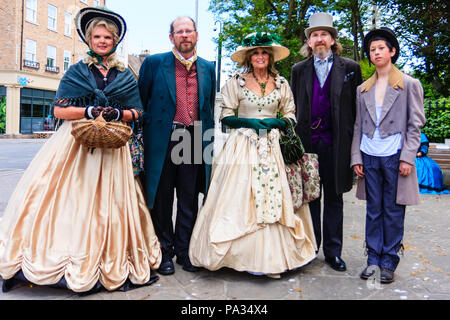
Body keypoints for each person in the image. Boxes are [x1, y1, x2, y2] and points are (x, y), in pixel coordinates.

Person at [0, 7, 161, 294]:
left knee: (111, 206)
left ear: (115, 41)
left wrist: (116, 114)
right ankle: (57, 260)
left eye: (107, 37)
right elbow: (59, 109)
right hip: (74, 144)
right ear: (89, 39)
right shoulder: (76, 71)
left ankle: (106, 262)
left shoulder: (125, 75)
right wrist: (88, 109)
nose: (102, 41)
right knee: (61, 200)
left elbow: (138, 112)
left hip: (113, 147)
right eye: (97, 36)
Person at [188, 32, 317, 279]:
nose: (260, 56)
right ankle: (236, 257)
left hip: (272, 145)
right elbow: (225, 115)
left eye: (264, 53)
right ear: (249, 57)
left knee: (273, 196)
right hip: (242, 145)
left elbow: (290, 113)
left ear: (270, 58)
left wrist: (276, 121)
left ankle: (271, 260)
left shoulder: (281, 84)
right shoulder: (235, 81)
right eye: (255, 53)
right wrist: (247, 121)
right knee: (238, 197)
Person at [138, 17, 216, 275]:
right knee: (162, 198)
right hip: (164, 136)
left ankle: (184, 251)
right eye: (179, 31)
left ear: (196, 35)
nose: (184, 35)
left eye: (188, 31)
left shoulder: (207, 67)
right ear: (171, 37)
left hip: (194, 137)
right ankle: (165, 251)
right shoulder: (153, 63)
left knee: (189, 197)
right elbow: (142, 101)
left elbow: (209, 108)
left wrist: (209, 145)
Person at [351, 27, 426, 283]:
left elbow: (415, 124)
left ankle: (388, 261)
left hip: (395, 156)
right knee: (373, 210)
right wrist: (356, 158)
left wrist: (407, 156)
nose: (376, 53)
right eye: (372, 50)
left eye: (381, 48)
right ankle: (373, 258)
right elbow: (358, 126)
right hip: (370, 155)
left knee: (393, 210)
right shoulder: (363, 89)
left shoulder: (408, 84)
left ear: (392, 51)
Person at [290, 12, 363, 272]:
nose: (319, 39)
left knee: (334, 198)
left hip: (337, 145)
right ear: (309, 42)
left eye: (324, 35)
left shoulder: (351, 68)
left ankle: (333, 252)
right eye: (314, 35)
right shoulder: (298, 70)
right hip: (308, 146)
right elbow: (293, 108)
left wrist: (356, 151)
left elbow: (357, 111)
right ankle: (311, 249)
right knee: (311, 199)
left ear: (332, 40)